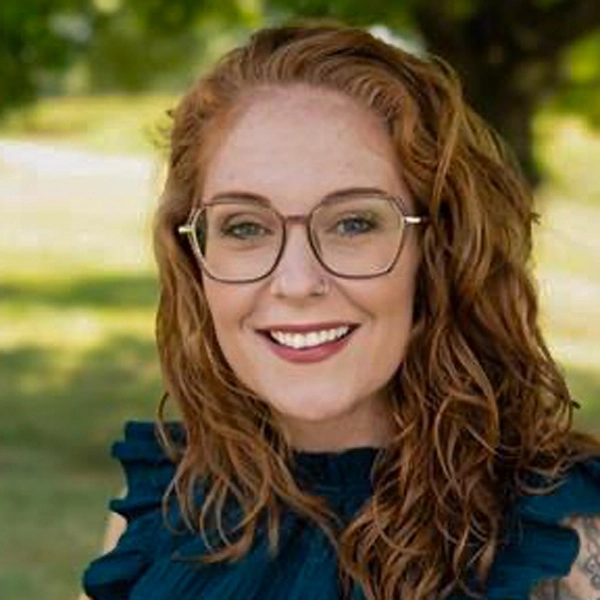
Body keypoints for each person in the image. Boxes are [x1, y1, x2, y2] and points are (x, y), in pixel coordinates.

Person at [81, 23, 600, 600]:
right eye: (245, 227)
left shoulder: (565, 538)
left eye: (353, 223)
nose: (297, 282)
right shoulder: (156, 511)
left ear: (437, 248)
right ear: (194, 258)